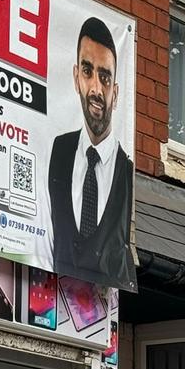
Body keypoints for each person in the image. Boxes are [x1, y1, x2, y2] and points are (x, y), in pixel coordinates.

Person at [46, 17, 134, 284]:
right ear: (76, 78)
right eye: (87, 71)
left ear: (116, 94)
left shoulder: (127, 173)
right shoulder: (58, 151)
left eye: (105, 77)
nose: (96, 88)